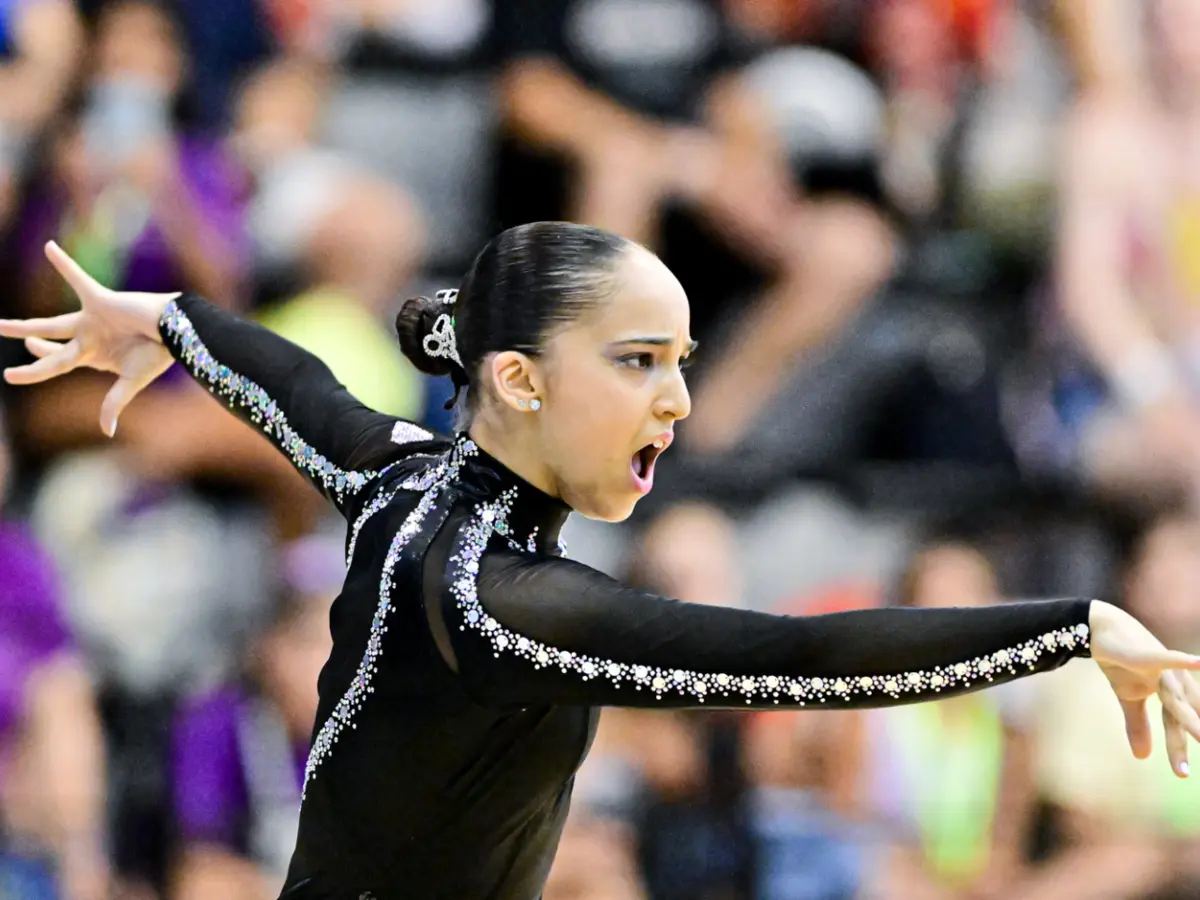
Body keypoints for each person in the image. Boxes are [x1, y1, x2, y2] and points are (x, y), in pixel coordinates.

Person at [2, 224, 1200, 900]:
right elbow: (797, 660)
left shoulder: (397, 479)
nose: (677, 402)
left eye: (680, 362)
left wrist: (160, 320)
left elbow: (288, 384)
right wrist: (1072, 628)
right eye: (638, 362)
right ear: (520, 381)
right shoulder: (501, 603)